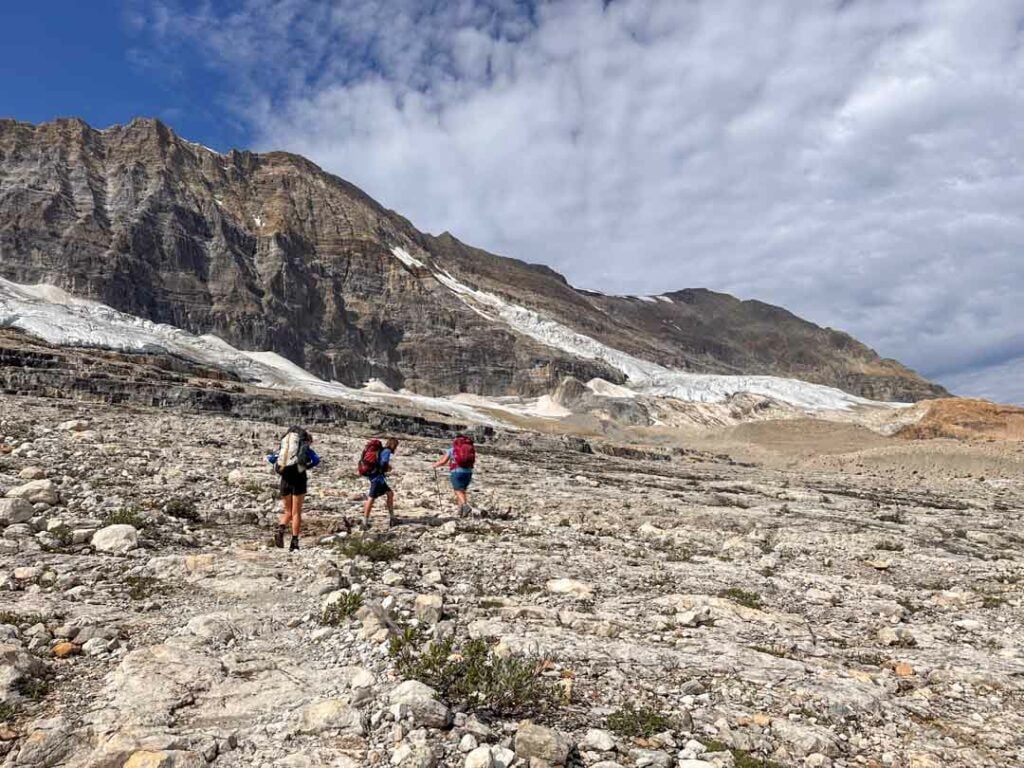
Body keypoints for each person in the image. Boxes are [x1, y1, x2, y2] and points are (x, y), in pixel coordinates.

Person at [267, 426, 320, 551]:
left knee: (287, 511)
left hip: (285, 479)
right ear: (306, 441)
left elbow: (271, 459)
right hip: (299, 480)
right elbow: (316, 460)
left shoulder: (284, 449)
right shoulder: (306, 449)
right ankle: (294, 542)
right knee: (296, 513)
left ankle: (281, 529)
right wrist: (306, 466)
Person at [432, 434, 475, 516]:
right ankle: (461, 512)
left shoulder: (452, 450)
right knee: (462, 491)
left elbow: (443, 461)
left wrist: (435, 465)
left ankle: (465, 506)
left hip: (456, 472)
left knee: (457, 490)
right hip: (468, 472)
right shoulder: (469, 449)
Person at [361, 437, 399, 530]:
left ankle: (392, 518)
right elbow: (383, 463)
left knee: (390, 494)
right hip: (377, 478)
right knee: (371, 498)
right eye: (396, 446)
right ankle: (364, 523)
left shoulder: (382, 450)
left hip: (377, 478)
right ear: (393, 445)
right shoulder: (387, 451)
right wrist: (387, 468)